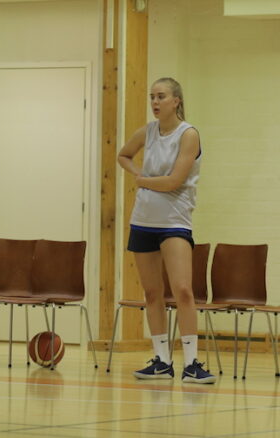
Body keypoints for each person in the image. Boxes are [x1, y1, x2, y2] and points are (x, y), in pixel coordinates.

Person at [118, 77, 215, 384]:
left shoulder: (188, 134)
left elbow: (174, 181)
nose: (155, 102)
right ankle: (161, 360)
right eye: (152, 97)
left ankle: (192, 363)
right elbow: (123, 155)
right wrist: (137, 171)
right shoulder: (147, 131)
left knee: (183, 290)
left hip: (174, 222)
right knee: (151, 293)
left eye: (161, 96)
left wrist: (144, 181)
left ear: (176, 101)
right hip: (143, 220)